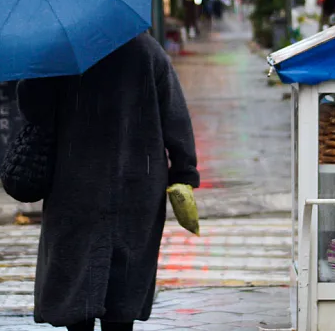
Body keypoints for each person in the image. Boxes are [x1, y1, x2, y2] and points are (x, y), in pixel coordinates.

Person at [17, 32, 199, 331]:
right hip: (138, 186)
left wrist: (34, 69)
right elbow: (175, 115)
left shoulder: (59, 50)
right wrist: (183, 172)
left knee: (75, 287)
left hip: (75, 184)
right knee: (124, 293)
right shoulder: (145, 49)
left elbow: (34, 110)